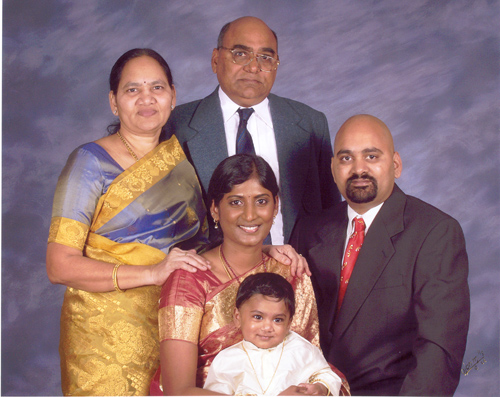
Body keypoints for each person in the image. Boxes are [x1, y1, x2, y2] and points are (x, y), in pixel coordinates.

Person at [46, 48, 212, 396]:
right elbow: (59, 266)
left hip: (175, 324)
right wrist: (152, 273)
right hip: (102, 336)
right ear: (113, 101)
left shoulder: (180, 158)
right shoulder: (88, 163)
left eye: (157, 87)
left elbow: (204, 247)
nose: (146, 99)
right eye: (132, 89)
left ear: (172, 96)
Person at [290, 114, 470, 396]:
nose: (358, 169)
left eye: (371, 156)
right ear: (333, 169)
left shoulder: (435, 232)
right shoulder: (309, 229)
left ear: (396, 165)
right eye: (346, 158)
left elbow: (439, 350)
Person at [150, 154, 350, 396]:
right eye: (235, 202)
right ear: (215, 208)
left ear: (275, 205)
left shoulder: (291, 273)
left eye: (261, 201)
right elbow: (177, 392)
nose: (250, 215)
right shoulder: (188, 279)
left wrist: (317, 389)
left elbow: (309, 362)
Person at [163, 16, 340, 244]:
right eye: (240, 54)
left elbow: (332, 216)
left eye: (266, 58)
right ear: (216, 60)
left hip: (297, 270)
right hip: (209, 273)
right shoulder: (177, 125)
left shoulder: (310, 124)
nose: (254, 67)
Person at [204, 272, 342, 396]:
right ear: (238, 317)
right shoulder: (226, 360)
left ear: (289, 323)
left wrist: (321, 387)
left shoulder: (302, 349)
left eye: (278, 320)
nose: (267, 327)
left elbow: (326, 374)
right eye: (258, 317)